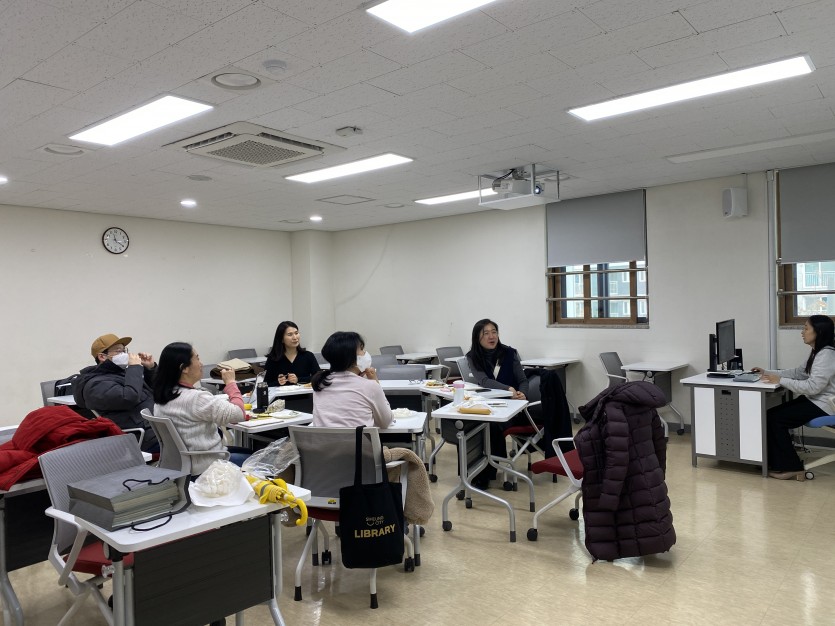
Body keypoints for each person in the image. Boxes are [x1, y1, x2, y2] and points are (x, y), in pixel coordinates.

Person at [752, 315, 835, 480]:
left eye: (806, 328)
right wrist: (767, 373)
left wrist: (780, 380)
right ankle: (774, 461)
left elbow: (812, 387)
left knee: (776, 419)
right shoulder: (818, 351)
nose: (802, 332)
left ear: (818, 332)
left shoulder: (826, 355)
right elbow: (798, 373)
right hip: (816, 400)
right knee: (771, 415)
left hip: (825, 404)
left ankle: (792, 467)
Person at [153, 342, 252, 475]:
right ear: (184, 368)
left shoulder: (162, 398)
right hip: (208, 466)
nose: (201, 364)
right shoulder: (196, 398)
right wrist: (231, 383)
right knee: (262, 459)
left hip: (182, 466)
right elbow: (238, 414)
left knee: (246, 451)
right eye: (197, 358)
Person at [466, 319, 530, 488]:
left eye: (494, 332)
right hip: (489, 406)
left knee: (491, 426)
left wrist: (523, 393)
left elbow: (523, 380)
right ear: (477, 337)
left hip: (513, 408)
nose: (491, 336)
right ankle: (475, 470)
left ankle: (487, 472)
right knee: (474, 425)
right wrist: (508, 388)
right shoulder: (473, 357)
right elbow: (484, 381)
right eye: (486, 333)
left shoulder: (509, 353)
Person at [73, 333, 159, 452]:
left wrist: (150, 369)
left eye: (124, 350)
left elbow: (156, 392)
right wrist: (135, 368)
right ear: (102, 357)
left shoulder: (120, 373)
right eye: (118, 351)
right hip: (142, 438)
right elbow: (130, 397)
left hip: (157, 428)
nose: (125, 354)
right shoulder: (96, 384)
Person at [310, 331, 393, 428]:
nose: (365, 353)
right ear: (350, 357)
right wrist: (375, 382)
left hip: (320, 438)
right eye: (361, 349)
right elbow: (385, 422)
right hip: (357, 438)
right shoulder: (370, 386)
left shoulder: (320, 383)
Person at [264, 321, 321, 387]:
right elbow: (265, 384)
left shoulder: (308, 356)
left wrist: (298, 379)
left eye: (296, 333)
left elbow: (319, 377)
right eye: (290, 334)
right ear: (281, 339)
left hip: (304, 393)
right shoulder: (273, 359)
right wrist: (278, 382)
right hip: (280, 393)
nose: (295, 337)